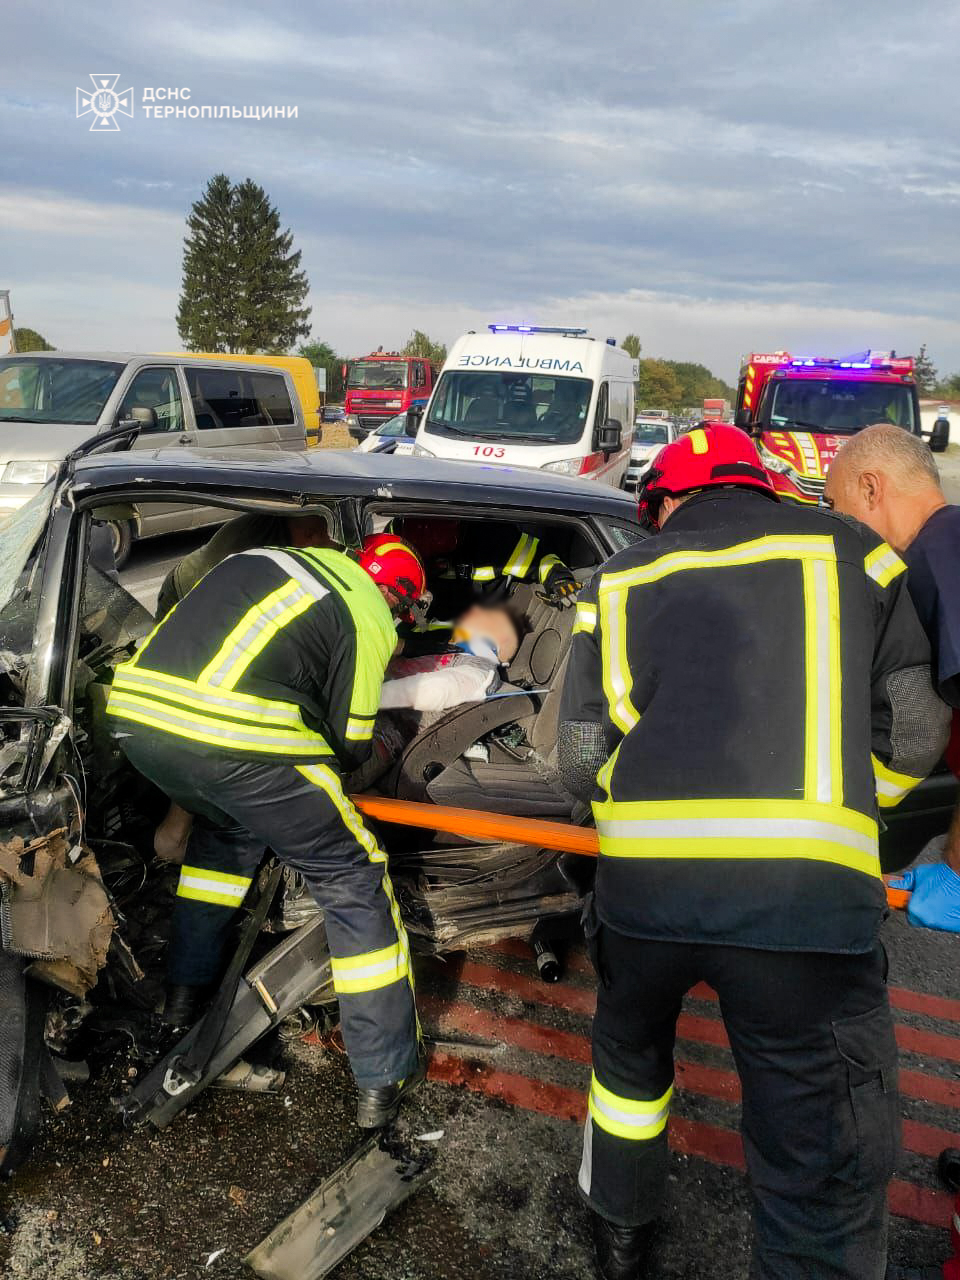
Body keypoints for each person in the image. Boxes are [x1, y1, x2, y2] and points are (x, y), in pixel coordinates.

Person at [557, 423, 950, 1280]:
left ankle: (620, 1236)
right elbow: (917, 729)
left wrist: (613, 817)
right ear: (762, 484)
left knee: (628, 1066)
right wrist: (854, 805)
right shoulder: (858, 556)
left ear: (664, 502)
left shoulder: (622, 576)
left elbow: (580, 750)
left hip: (644, 904)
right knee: (817, 1144)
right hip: (802, 908)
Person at [107, 533, 428, 1129]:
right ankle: (383, 1075)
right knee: (352, 876)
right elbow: (351, 743)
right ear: (400, 600)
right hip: (238, 741)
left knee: (221, 845)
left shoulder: (259, 561)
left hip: (139, 724)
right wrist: (391, 735)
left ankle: (180, 1002)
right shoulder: (368, 608)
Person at [824, 423, 960, 932]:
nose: (837, 523)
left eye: (836, 506)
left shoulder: (939, 555)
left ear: (871, 488)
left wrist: (957, 871)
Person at [156, 512, 336, 619]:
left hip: (212, 590)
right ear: (310, 535)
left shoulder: (291, 526)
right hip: (184, 592)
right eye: (322, 545)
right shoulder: (257, 547)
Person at [396, 516, 581, 617]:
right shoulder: (396, 537)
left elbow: (542, 560)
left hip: (477, 637)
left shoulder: (494, 542)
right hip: (412, 637)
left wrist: (560, 579)